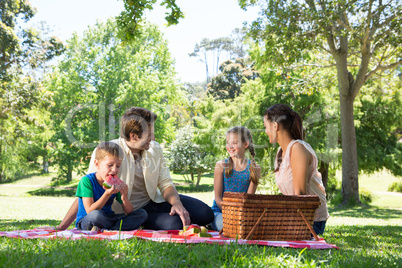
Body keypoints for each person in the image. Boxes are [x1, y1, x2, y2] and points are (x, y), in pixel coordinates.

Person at [57, 107, 214, 230]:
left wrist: (177, 203)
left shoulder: (155, 149)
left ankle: (171, 218)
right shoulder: (107, 152)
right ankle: (138, 223)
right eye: (150, 134)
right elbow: (88, 190)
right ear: (133, 136)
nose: (153, 138)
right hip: (125, 211)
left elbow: (165, 183)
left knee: (206, 214)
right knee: (174, 224)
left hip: (153, 200)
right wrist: (62, 226)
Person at [263, 104, 329, 235]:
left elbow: (300, 196)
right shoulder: (280, 151)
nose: (265, 131)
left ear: (275, 126)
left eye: (266, 127)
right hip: (295, 216)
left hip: (310, 221)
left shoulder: (298, 149)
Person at [75, 141, 148, 231]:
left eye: (118, 166)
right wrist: (107, 194)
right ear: (97, 164)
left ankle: (109, 229)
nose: (114, 170)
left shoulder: (115, 183)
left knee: (142, 214)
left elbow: (129, 211)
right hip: (87, 220)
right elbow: (90, 211)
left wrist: (124, 197)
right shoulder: (86, 181)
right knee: (96, 216)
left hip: (109, 218)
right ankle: (118, 228)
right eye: (110, 165)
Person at [211, 126, 261, 231]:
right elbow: (218, 198)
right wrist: (231, 214)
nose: (230, 146)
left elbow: (249, 200)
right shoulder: (221, 166)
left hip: (242, 214)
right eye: (227, 143)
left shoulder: (254, 169)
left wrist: (240, 215)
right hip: (220, 213)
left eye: (234, 143)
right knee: (230, 226)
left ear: (245, 144)